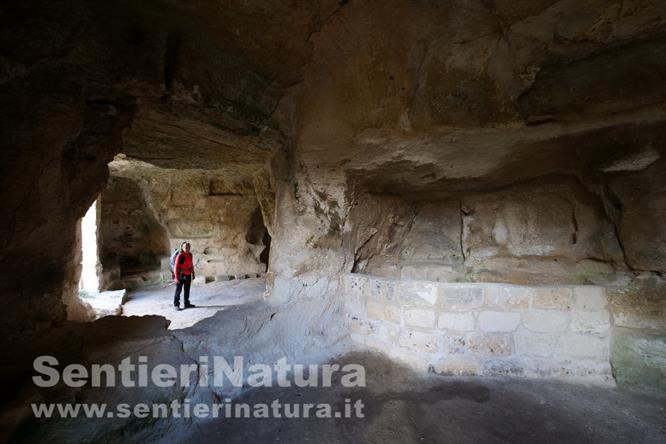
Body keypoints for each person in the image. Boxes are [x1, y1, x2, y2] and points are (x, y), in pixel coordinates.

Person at [173, 242, 196, 310]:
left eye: (188, 247)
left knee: (187, 290)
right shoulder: (180, 256)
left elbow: (191, 264)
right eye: (185, 247)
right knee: (178, 290)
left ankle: (186, 303)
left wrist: (193, 273)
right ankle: (176, 305)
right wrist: (176, 278)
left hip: (188, 274)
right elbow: (176, 267)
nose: (187, 248)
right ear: (182, 248)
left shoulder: (190, 254)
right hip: (181, 275)